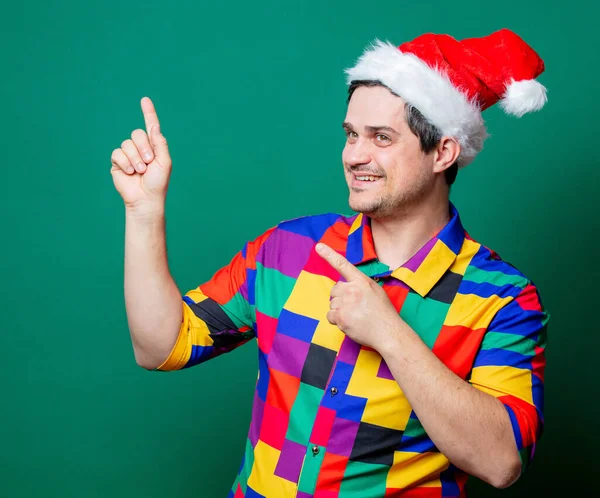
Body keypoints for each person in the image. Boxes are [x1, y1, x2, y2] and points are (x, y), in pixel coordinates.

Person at [110, 28, 550, 498]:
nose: (354, 155)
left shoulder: (502, 298)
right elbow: (160, 346)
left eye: (381, 137)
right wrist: (143, 212)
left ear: (443, 151)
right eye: (351, 134)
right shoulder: (288, 249)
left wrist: (389, 333)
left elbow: (501, 461)